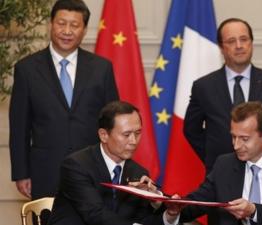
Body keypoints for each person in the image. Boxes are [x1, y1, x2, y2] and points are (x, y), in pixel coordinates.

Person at [9, 0, 119, 200]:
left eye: (74, 25)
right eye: (61, 23)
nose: (67, 31)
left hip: (93, 172)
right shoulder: (27, 69)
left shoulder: (102, 68)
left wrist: (116, 166)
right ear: (51, 24)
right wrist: (21, 172)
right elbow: (19, 128)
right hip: (45, 172)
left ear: (84, 30)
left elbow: (113, 123)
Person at [167, 101, 262, 225]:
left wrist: (254, 211)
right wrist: (173, 208)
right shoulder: (224, 165)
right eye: (233, 137)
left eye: (244, 139)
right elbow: (197, 203)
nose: (236, 146)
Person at [184, 18, 262, 173]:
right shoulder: (203, 86)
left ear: (251, 43)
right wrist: (213, 155)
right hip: (220, 173)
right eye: (231, 41)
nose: (239, 46)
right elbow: (191, 129)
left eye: (244, 39)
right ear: (221, 47)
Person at [48, 101, 178, 225]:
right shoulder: (76, 165)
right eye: (126, 134)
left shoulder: (139, 173)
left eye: (138, 133)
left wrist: (169, 215)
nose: (134, 141)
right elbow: (95, 214)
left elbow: (141, 220)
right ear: (104, 135)